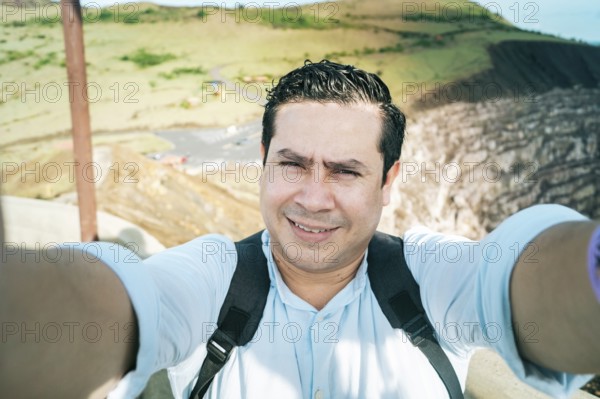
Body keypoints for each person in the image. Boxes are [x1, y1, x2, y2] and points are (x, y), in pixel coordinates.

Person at [1, 60, 599, 399]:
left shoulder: (431, 278)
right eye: (292, 164)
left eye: (345, 171)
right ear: (262, 158)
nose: (313, 198)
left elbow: (531, 285)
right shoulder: (209, 277)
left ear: (388, 183)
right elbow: (107, 307)